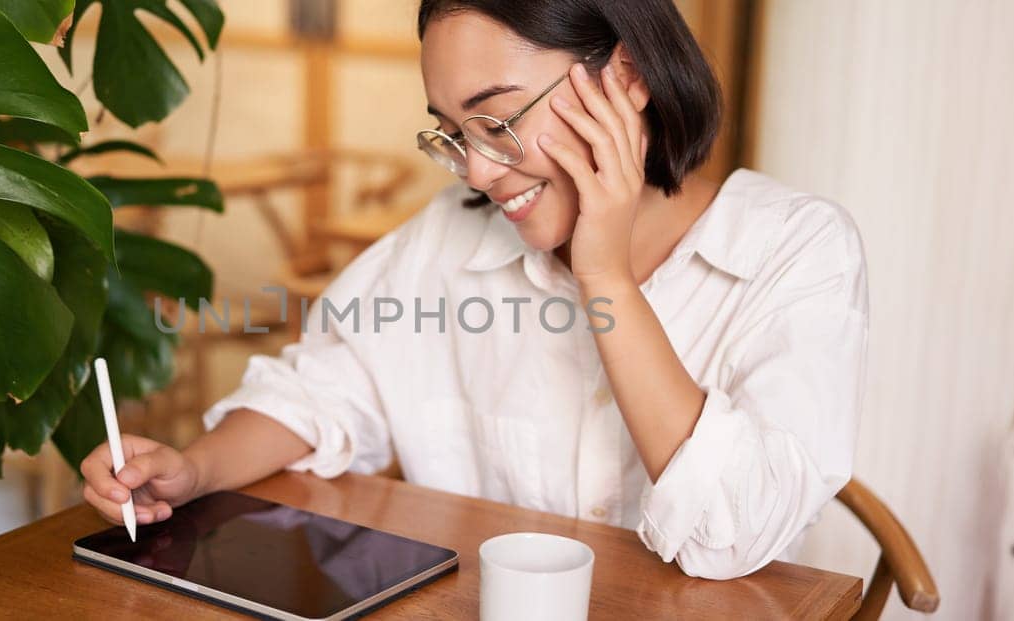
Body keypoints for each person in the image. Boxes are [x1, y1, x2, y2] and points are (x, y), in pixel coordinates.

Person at [80, 0, 868, 580]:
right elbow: (321, 388)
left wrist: (606, 276)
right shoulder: (447, 240)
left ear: (626, 75)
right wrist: (194, 470)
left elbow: (730, 531)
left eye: (499, 122)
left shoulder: (796, 251)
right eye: (455, 134)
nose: (481, 172)